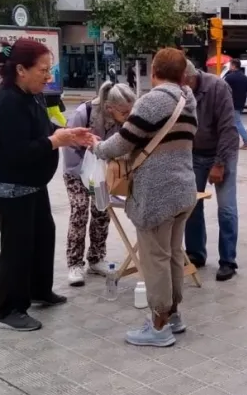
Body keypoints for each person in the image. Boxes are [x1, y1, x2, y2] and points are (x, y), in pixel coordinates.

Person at [81, 48, 198, 347]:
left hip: (157, 194)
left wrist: (97, 147)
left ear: (154, 72)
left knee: (155, 258)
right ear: (182, 73)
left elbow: (124, 141)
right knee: (172, 254)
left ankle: (158, 326)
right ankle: (173, 316)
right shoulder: (188, 100)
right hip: (183, 189)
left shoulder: (153, 100)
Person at [0, 38, 89, 331]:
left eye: (49, 69)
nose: (48, 75)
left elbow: (42, 129)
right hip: (10, 185)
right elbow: (16, 152)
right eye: (42, 69)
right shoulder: (6, 103)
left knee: (43, 234)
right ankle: (9, 309)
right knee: (18, 245)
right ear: (21, 70)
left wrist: (68, 133)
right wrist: (55, 142)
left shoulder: (32, 95)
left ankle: (39, 290)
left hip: (32, 184)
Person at [62, 81, 135, 286]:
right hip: (77, 172)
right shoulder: (84, 113)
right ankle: (75, 263)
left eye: (130, 110)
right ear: (109, 108)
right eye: (124, 111)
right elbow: (68, 144)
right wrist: (84, 171)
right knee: (79, 211)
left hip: (101, 176)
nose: (128, 115)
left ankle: (96, 258)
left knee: (102, 212)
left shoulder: (124, 122)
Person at [183, 60, 241, 281]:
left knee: (226, 208)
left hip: (222, 152)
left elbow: (228, 129)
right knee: (191, 205)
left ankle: (228, 261)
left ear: (190, 78)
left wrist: (219, 164)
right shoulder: (180, 90)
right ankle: (196, 254)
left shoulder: (218, 87)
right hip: (195, 153)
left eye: (182, 83)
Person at [223, 58, 247, 150]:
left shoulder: (229, 77)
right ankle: (231, 141)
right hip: (240, 103)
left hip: (231, 103)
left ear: (233, 66)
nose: (229, 67)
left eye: (230, 65)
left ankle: (246, 141)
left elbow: (223, 90)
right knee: (232, 123)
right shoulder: (245, 77)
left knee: (236, 122)